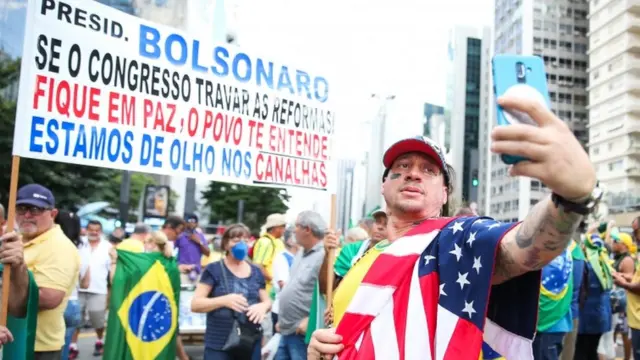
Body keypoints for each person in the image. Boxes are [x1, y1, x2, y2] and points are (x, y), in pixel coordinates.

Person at [308, 94, 599, 360]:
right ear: (384, 185)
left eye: (428, 170)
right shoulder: (363, 256)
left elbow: (523, 248)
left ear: (445, 193)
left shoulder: (455, 240)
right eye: (403, 166)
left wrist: (571, 199)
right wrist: (320, 348)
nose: (412, 174)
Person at [17, 184, 81, 359]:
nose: (27, 215)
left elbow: (48, 298)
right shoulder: (17, 239)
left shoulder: (59, 247)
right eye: (21, 209)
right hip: (12, 340)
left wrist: (17, 269)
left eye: (35, 210)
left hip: (36, 346)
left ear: (53, 214)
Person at [191, 223, 271, 360]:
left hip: (249, 341)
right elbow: (195, 304)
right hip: (219, 343)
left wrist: (263, 306)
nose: (242, 244)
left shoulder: (256, 271)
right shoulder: (214, 269)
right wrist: (223, 301)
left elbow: (267, 301)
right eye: (236, 240)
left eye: (245, 240)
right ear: (226, 244)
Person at [55, 211, 90, 360]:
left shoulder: (51, 245)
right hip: (72, 303)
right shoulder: (84, 248)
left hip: (53, 303)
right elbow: (86, 283)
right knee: (63, 351)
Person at [175, 214, 211, 284]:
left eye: (194, 221)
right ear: (185, 223)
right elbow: (171, 251)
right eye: (189, 221)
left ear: (197, 224)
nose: (192, 223)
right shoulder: (180, 235)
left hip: (196, 271)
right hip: (183, 271)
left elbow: (207, 253)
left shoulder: (200, 236)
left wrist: (199, 242)